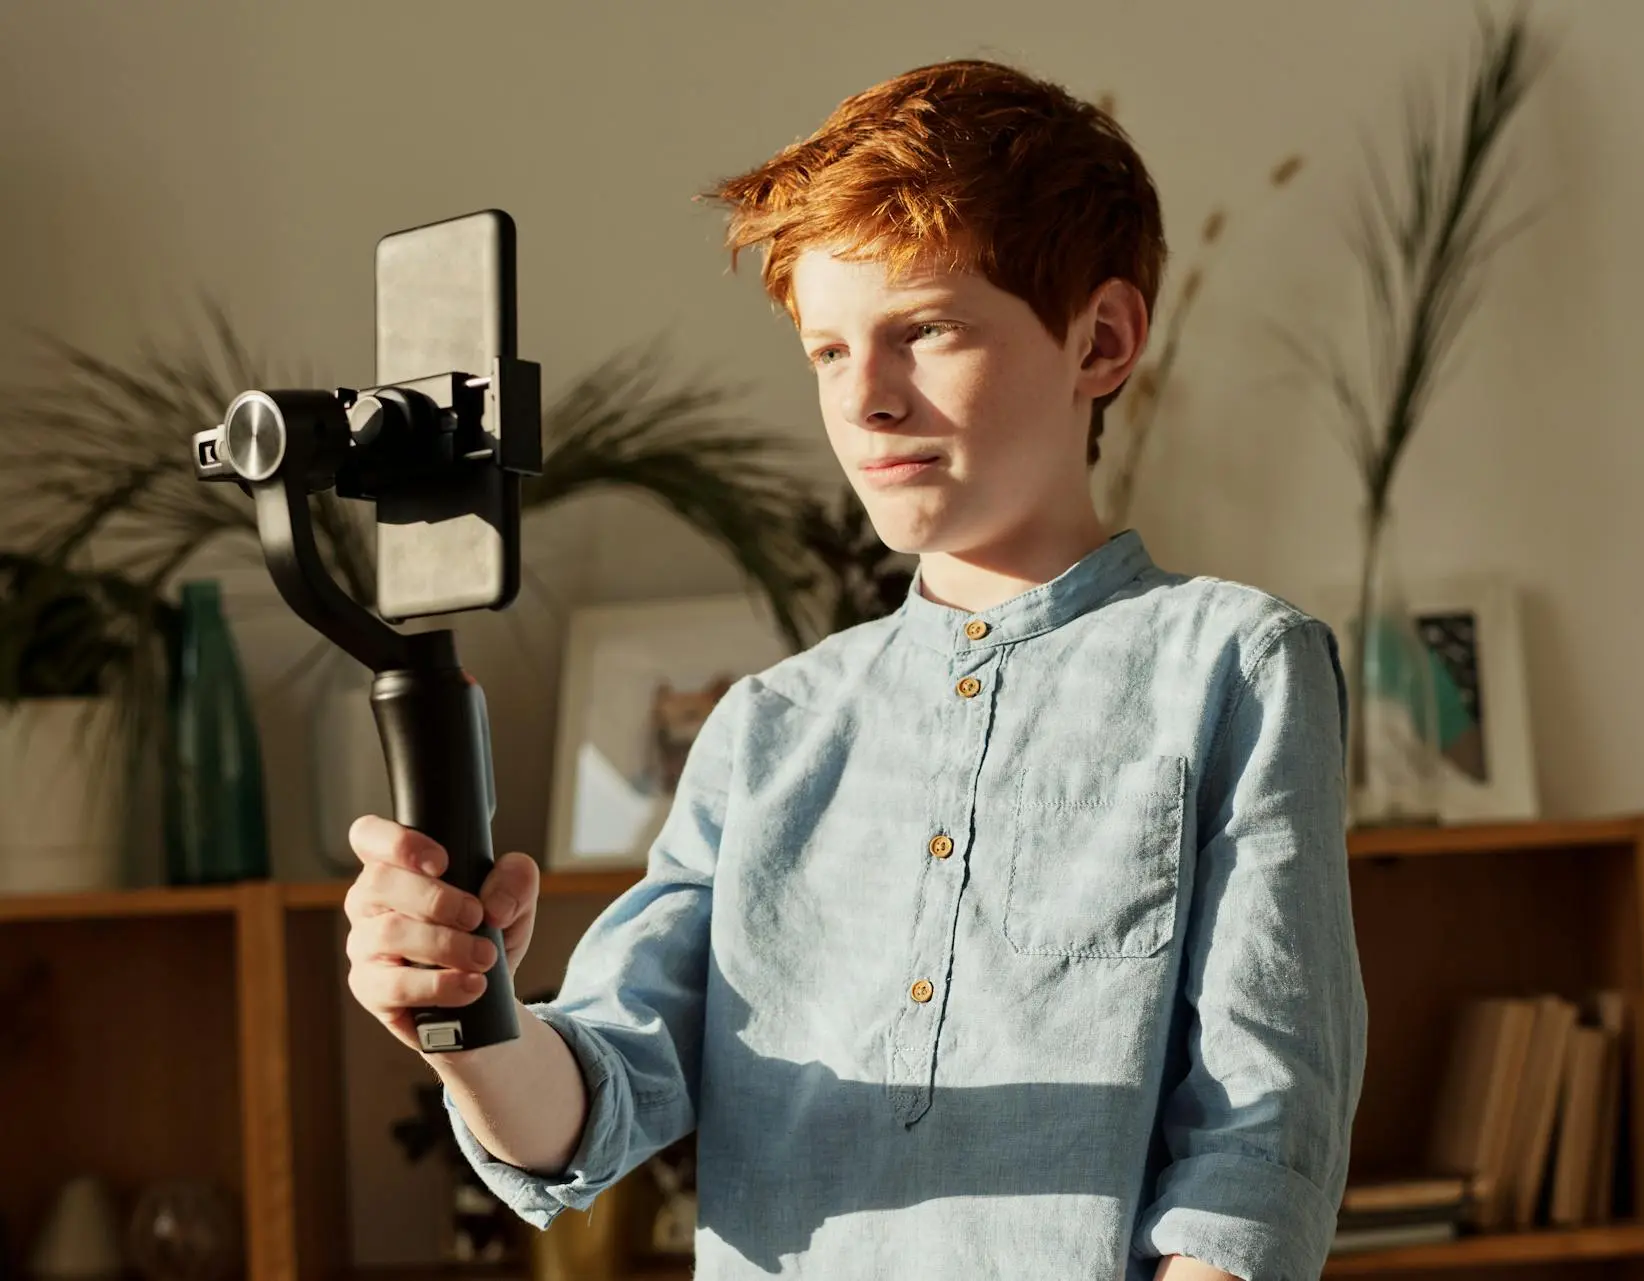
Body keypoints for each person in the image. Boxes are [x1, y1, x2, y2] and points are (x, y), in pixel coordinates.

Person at [343, 58, 1367, 1281]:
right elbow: (595, 1102)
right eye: (828, 350)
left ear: (1101, 341)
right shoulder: (768, 727)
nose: (866, 399)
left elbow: (1260, 1141)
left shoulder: (1236, 666)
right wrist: (461, 1017)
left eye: (924, 330)